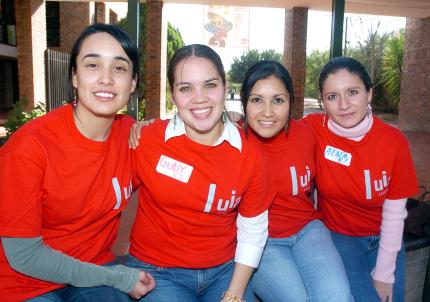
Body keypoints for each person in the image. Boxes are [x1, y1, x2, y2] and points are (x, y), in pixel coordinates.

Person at [0, 23, 155, 302]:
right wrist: (117, 277)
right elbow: (24, 256)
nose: (106, 78)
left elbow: (193, 148)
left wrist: (225, 123)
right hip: (24, 283)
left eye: (119, 68)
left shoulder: (134, 137)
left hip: (93, 271)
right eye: (92, 65)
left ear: (132, 83)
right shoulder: (29, 147)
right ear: (74, 76)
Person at [127, 44, 274, 302]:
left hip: (225, 270)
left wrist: (234, 294)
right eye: (185, 88)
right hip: (157, 272)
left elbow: (253, 230)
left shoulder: (251, 152)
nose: (200, 98)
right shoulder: (147, 140)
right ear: (172, 94)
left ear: (225, 85)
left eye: (210, 85)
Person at [302, 56, 418, 302]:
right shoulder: (314, 129)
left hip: (386, 237)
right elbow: (271, 128)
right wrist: (231, 121)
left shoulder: (393, 141)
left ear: (369, 94)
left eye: (352, 92)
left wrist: (385, 273)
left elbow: (395, 212)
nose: (343, 104)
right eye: (332, 96)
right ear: (323, 102)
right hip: (340, 236)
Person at [238, 60, 353, 302]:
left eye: (278, 100)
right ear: (244, 102)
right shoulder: (231, 139)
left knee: (337, 297)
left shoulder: (309, 131)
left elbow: (353, 126)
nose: (267, 112)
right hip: (262, 242)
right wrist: (144, 128)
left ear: (291, 102)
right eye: (257, 100)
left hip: (308, 231)